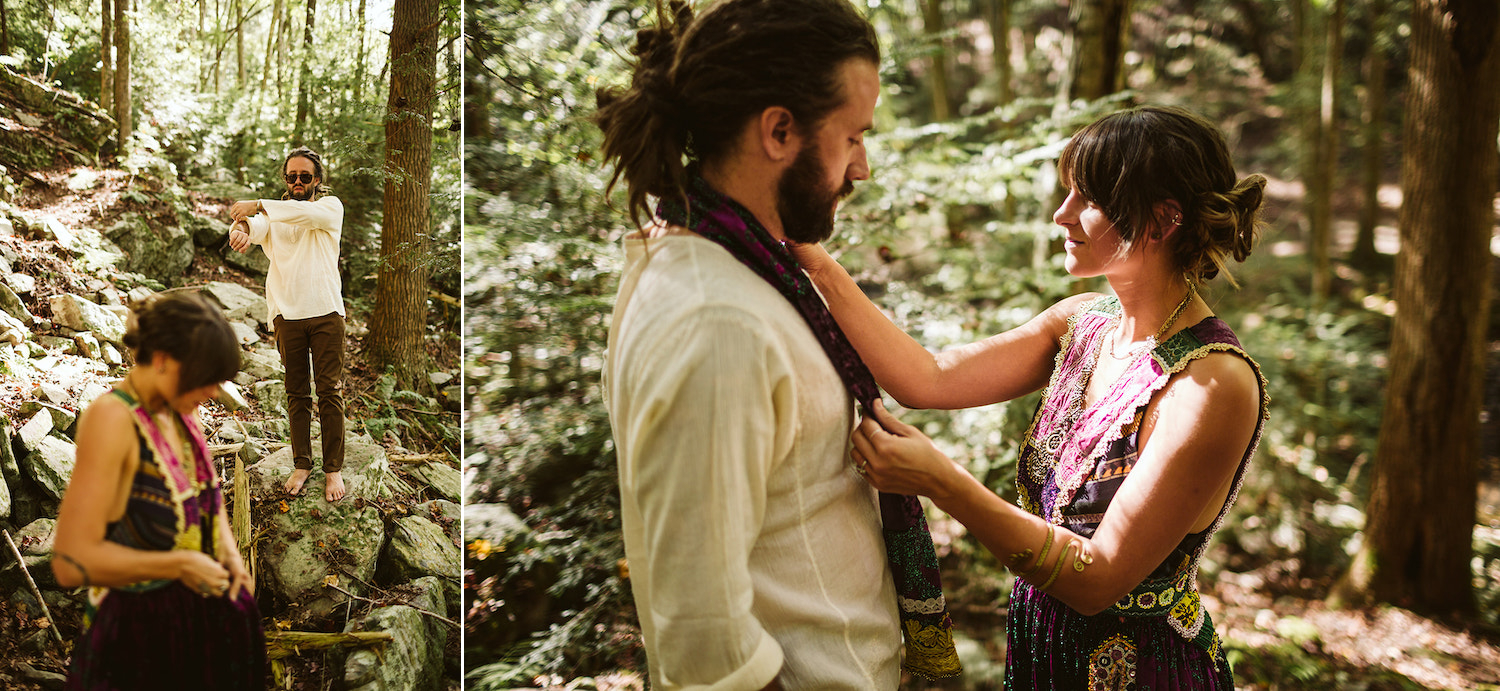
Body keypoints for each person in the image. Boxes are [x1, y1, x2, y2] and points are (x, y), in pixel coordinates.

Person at [792, 105, 1268, 688]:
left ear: (1162, 220)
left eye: (1085, 199)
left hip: (1139, 671)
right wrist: (812, 258)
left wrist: (941, 480)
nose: (1060, 215)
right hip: (1042, 651)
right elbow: (928, 378)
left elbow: (1097, 579)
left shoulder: (1212, 385)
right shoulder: (1083, 325)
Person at [595, 0, 961, 687]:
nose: (863, 168)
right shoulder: (716, 322)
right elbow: (702, 633)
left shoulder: (747, 272)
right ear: (780, 130)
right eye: (852, 137)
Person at [53, 292, 265, 689]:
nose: (215, 390)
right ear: (165, 359)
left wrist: (229, 554)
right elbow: (70, 562)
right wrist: (179, 565)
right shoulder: (112, 419)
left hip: (190, 628)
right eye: (207, 377)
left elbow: (206, 495)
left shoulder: (182, 409)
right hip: (135, 641)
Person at [227, 147, 348, 502]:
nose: (297, 182)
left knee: (329, 392)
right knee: (297, 393)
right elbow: (260, 226)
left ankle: (333, 469)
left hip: (326, 312)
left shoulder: (329, 208)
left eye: (305, 177)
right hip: (287, 318)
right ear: (286, 179)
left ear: (317, 180)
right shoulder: (275, 215)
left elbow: (300, 214)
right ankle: (302, 463)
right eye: (292, 176)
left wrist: (257, 204)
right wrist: (243, 227)